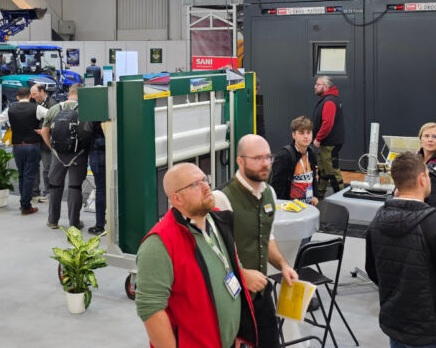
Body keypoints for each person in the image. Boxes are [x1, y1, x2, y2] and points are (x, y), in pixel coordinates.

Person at [135, 162, 257, 348]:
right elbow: (151, 311)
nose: (206, 186)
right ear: (177, 199)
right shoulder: (159, 244)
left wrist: (237, 331)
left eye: (204, 179)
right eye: (195, 184)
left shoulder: (218, 219)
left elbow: (231, 267)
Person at [366, 151, 436, 348]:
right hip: (434, 329)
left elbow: (373, 270)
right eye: (428, 176)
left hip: (395, 322)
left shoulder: (376, 221)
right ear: (422, 179)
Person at [214, 134, 298, 348]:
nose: (265, 164)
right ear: (240, 161)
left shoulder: (269, 193)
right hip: (232, 298)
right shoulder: (222, 198)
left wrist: (283, 265)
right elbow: (213, 254)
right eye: (258, 158)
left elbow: (267, 239)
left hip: (261, 293)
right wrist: (242, 275)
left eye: (268, 157)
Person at [0, 87, 48, 215]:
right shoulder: (36, 108)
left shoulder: (10, 109)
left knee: (21, 175)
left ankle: (23, 203)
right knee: (29, 176)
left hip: (17, 146)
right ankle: (26, 206)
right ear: (30, 96)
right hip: (32, 145)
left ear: (17, 97)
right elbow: (52, 115)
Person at [41, 84, 91, 230]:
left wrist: (53, 148)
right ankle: (74, 223)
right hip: (78, 154)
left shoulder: (54, 109)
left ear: (69, 93)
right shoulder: (85, 110)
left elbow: (45, 132)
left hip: (58, 154)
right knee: (75, 187)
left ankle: (53, 221)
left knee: (55, 186)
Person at [270, 116, 319, 205]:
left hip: (309, 205)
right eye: (301, 133)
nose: (306, 136)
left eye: (308, 133)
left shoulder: (311, 153)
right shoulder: (285, 156)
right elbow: (277, 187)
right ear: (294, 135)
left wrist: (315, 195)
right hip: (290, 207)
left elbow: (313, 178)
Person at [312, 75, 345, 198]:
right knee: (323, 170)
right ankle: (319, 196)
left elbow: (327, 123)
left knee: (332, 171)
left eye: (317, 84)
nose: (315, 87)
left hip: (329, 143)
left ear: (325, 87)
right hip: (327, 143)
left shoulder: (329, 101)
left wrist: (318, 138)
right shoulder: (327, 99)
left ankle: (340, 197)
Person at [30, 83, 57, 202]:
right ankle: (35, 192)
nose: (33, 96)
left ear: (42, 91)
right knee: (34, 167)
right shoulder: (32, 103)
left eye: (35, 94)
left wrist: (45, 131)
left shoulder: (53, 104)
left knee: (47, 168)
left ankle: (49, 192)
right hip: (35, 141)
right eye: (31, 94)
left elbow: (57, 122)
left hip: (46, 141)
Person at [87, 120, 107, 236]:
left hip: (98, 154)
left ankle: (99, 225)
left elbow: (86, 133)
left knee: (101, 189)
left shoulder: (94, 112)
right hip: (113, 152)